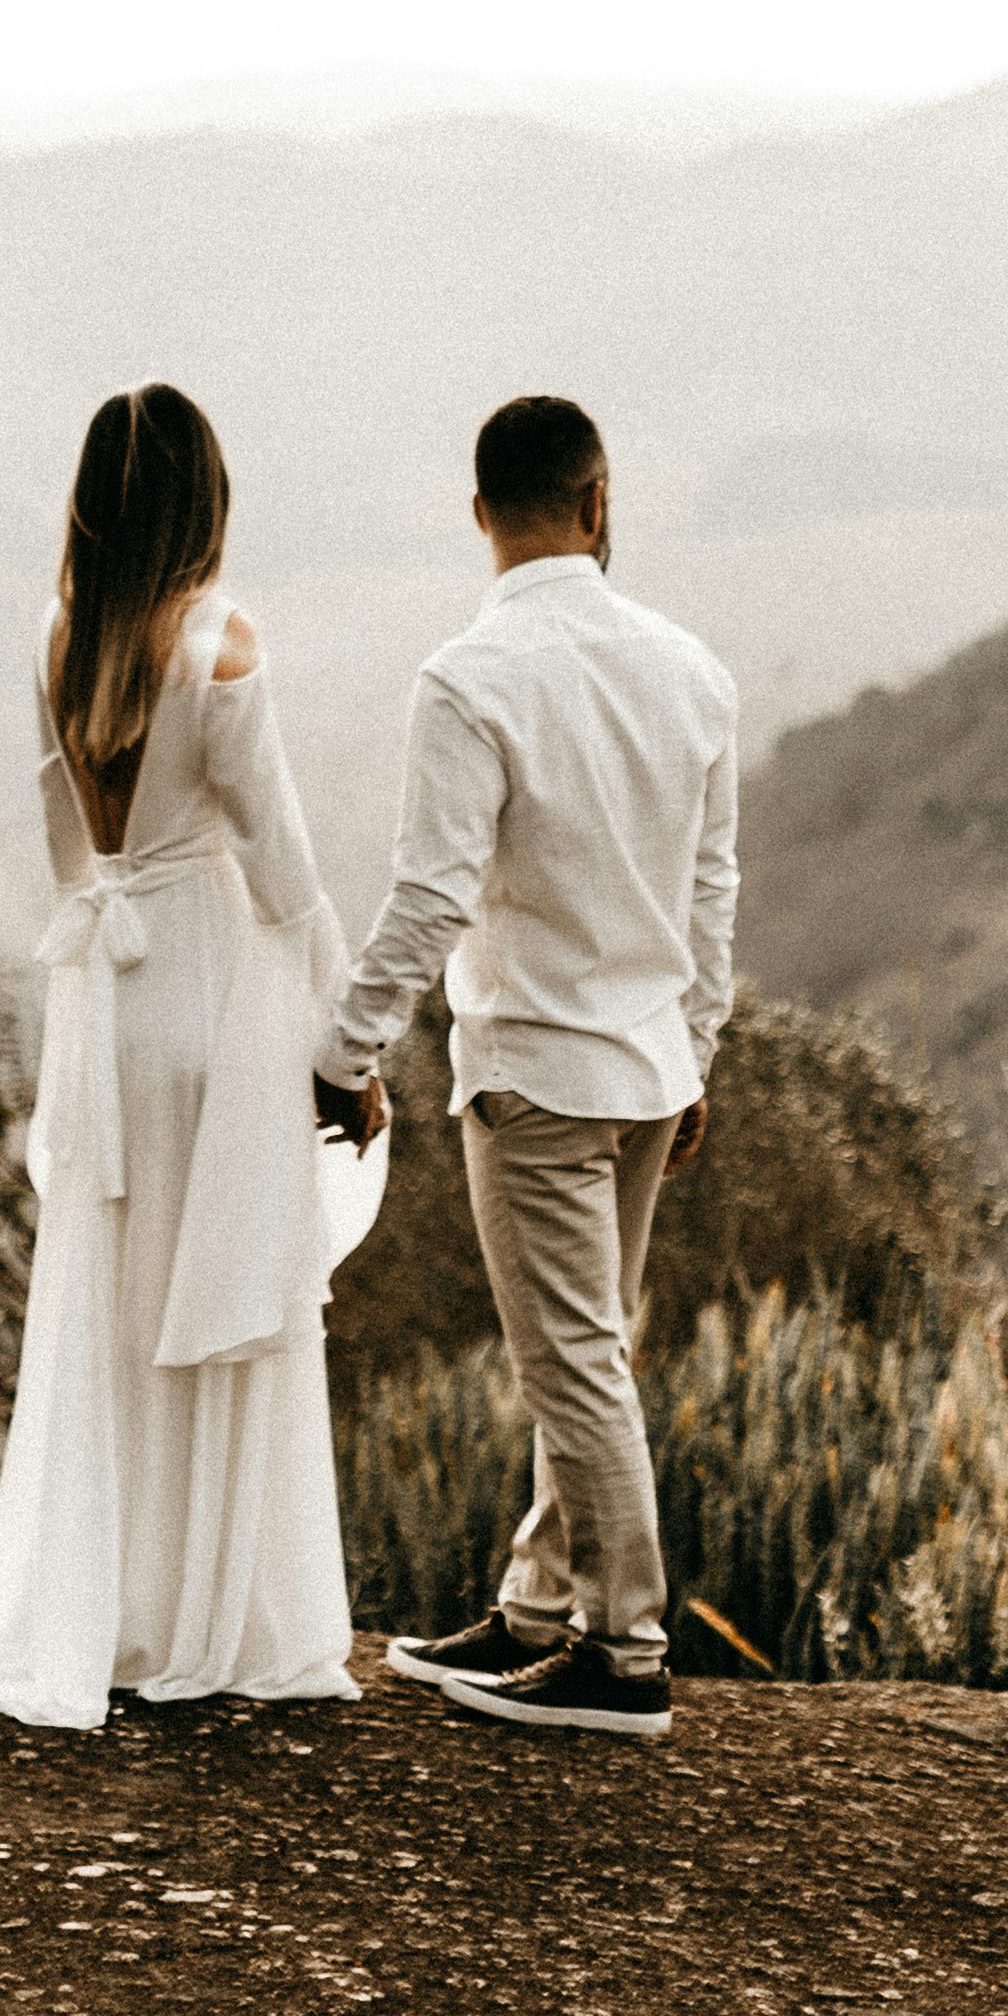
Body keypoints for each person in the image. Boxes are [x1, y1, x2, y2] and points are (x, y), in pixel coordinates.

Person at [0, 380, 383, 1736]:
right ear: (207, 500)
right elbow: (287, 872)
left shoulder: (63, 642)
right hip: (211, 992)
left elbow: (76, 853)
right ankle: (217, 1622)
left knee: (116, 1314)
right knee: (218, 1304)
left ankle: (110, 1610)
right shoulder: (221, 642)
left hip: (107, 1007)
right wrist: (352, 1039)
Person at [312, 390, 737, 1741]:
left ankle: (627, 1652)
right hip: (648, 1071)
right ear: (600, 503)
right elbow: (713, 887)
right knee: (589, 1349)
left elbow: (432, 896)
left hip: (538, 1075)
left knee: (571, 1365)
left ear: (483, 514)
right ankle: (538, 1608)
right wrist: (701, 1046)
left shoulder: (469, 680)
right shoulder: (694, 670)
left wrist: (345, 1044)